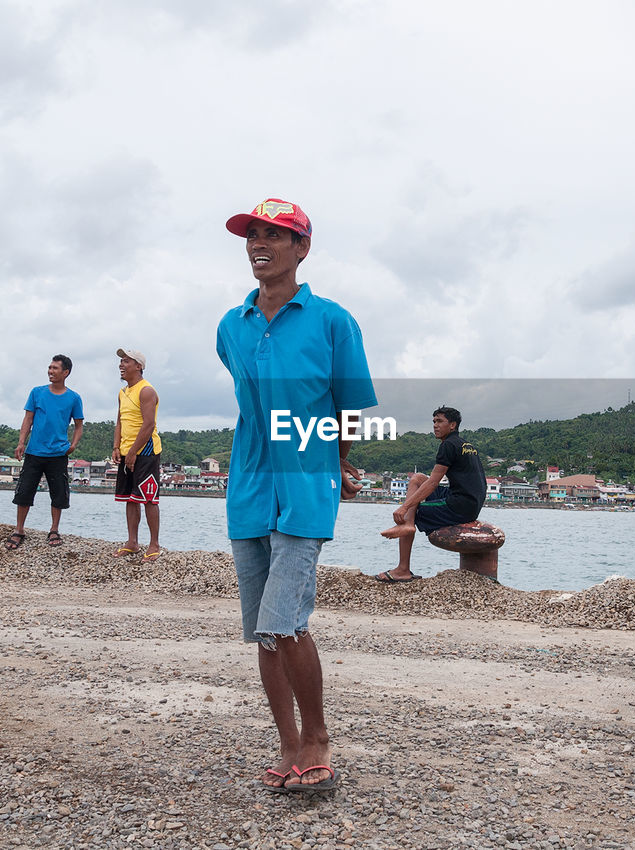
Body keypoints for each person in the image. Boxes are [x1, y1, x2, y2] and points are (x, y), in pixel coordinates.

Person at [215, 198, 377, 793]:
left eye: (275, 236)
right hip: (249, 485)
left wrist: (336, 461)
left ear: (301, 249)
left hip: (307, 486)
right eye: (252, 235)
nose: (261, 244)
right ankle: (286, 744)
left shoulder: (333, 321)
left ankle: (317, 740)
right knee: (263, 627)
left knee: (285, 621)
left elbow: (351, 405)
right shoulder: (231, 326)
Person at [377, 406, 486, 582]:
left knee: (415, 508)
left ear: (452, 425)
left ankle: (403, 568)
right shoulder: (466, 444)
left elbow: (434, 482)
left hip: (460, 506)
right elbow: (428, 481)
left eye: (440, 421)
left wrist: (404, 507)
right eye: (434, 421)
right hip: (469, 501)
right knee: (417, 478)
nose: (435, 425)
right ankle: (409, 524)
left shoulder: (448, 445)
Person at [4, 355, 84, 550]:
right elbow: (28, 419)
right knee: (24, 491)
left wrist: (73, 445)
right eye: (49, 367)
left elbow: (79, 425)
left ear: (65, 372)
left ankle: (54, 529)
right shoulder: (37, 392)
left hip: (58, 453)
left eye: (55, 368)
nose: (50, 371)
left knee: (58, 494)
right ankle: (19, 530)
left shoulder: (74, 398)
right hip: (34, 451)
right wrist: (21, 443)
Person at [112, 348, 162, 561]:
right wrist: (116, 447)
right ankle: (132, 542)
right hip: (126, 451)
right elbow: (120, 420)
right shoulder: (123, 392)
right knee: (130, 498)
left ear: (138, 366)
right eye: (121, 361)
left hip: (146, 451)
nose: (121, 365)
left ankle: (154, 544)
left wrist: (133, 452)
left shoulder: (146, 390)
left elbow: (149, 424)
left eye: (126, 361)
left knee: (149, 498)